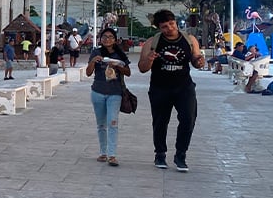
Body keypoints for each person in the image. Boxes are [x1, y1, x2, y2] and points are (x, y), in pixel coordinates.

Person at [137, 9, 206, 172]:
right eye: (164, 26)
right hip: (160, 88)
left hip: (184, 87)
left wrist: (199, 61)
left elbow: (196, 61)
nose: (170, 28)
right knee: (160, 122)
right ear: (159, 28)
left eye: (171, 24)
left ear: (175, 22)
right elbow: (142, 68)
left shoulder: (189, 40)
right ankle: (160, 154)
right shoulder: (152, 42)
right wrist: (149, 60)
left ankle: (181, 155)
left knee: (188, 119)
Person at [85, 28, 131, 167]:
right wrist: (93, 61)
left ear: (115, 39)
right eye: (104, 37)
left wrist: (118, 66)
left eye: (110, 37)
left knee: (113, 122)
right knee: (101, 124)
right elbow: (88, 73)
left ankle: (112, 155)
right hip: (98, 91)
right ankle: (103, 152)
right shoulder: (96, 52)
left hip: (115, 92)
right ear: (100, 39)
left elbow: (128, 72)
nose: (107, 39)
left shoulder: (120, 54)